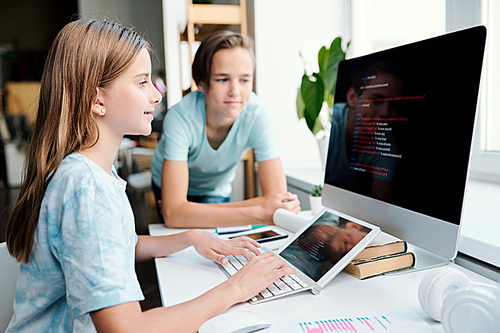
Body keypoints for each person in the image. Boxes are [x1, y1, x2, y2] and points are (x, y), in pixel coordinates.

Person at [4, 19, 297, 333]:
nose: (157, 96)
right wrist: (238, 288)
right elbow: (125, 329)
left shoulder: (89, 171)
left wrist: (189, 237)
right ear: (97, 99)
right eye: (142, 82)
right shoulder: (87, 188)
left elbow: (112, 246)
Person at [150, 30, 301, 228]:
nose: (235, 92)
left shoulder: (258, 116)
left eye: (244, 80)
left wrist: (185, 210)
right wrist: (260, 211)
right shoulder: (180, 117)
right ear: (201, 82)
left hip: (215, 190)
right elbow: (174, 215)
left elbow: (278, 200)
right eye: (222, 79)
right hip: (168, 186)